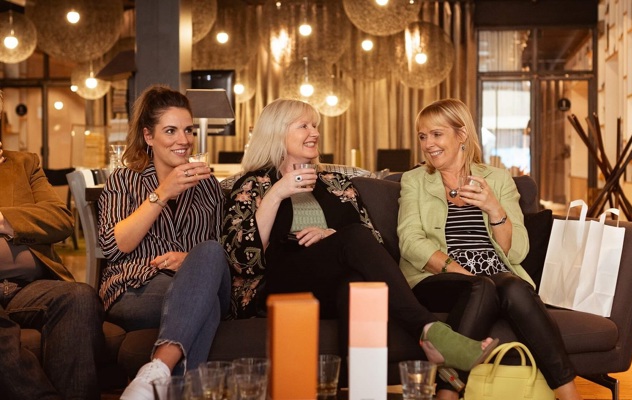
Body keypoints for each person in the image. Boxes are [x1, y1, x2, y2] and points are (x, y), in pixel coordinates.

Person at [220, 98, 498, 375]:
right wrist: (278, 193)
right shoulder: (252, 185)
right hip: (278, 283)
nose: (315, 132)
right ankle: (428, 331)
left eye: (315, 126)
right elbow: (243, 261)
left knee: (354, 282)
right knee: (353, 237)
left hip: (328, 286)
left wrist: (331, 236)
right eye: (304, 126)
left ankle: (358, 386)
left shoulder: (336, 183)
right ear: (277, 132)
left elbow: (375, 245)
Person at [397, 98, 583, 400]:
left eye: (436, 134)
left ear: (462, 135)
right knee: (483, 286)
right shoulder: (414, 180)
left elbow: (517, 252)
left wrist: (494, 208)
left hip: (497, 276)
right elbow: (410, 240)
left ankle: (569, 395)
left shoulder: (497, 179)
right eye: (422, 136)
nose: (428, 144)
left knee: (511, 285)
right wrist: (463, 273)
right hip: (439, 277)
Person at [97, 85, 230, 399]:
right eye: (170, 131)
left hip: (197, 282)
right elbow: (114, 246)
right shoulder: (124, 180)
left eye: (188, 130)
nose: (183, 140)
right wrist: (162, 193)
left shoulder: (207, 185)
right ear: (148, 136)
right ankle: (175, 387)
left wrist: (190, 260)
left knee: (209, 256)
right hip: (138, 286)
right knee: (205, 303)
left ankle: (155, 372)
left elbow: (219, 250)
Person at [0, 139, 105, 399]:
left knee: (79, 297)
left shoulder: (24, 164)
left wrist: (3, 219)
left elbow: (60, 219)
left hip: (28, 288)